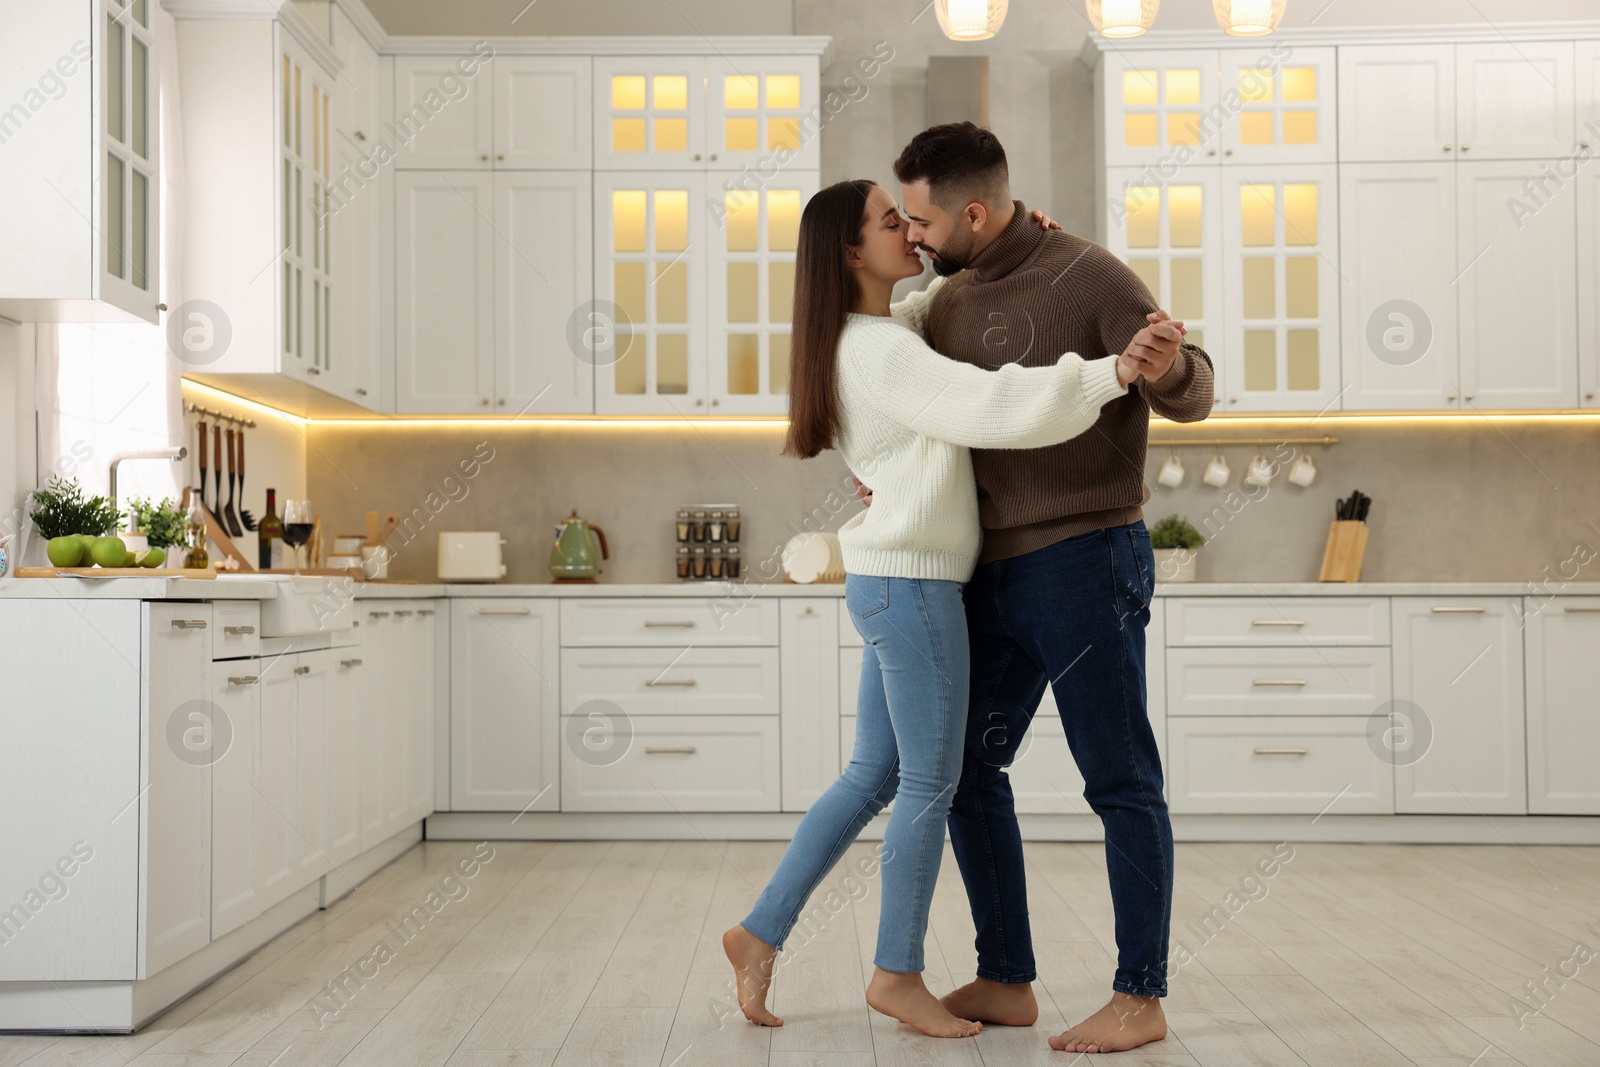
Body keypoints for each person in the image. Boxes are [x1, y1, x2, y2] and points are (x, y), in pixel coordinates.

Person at [722, 178, 1183, 1039]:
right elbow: (987, 403)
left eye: (916, 216)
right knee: (933, 782)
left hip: (895, 579)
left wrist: (1016, 242)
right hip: (919, 584)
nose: (913, 233)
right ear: (852, 253)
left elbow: (930, 307)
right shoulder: (881, 352)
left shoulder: (869, 334)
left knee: (874, 776)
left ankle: (758, 931)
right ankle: (896, 971)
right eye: (893, 222)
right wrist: (1111, 370)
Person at [877, 122, 1214, 1054]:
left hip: (1085, 559)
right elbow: (936, 414)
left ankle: (1140, 995)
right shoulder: (943, 299)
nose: (912, 236)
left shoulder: (1090, 275)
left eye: (922, 219)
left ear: (973, 211)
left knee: (1117, 775)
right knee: (965, 770)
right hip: (988, 568)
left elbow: (1196, 390)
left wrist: (1169, 363)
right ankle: (1007, 975)